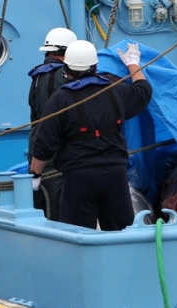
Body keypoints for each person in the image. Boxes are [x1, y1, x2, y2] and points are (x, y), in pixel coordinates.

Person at [29, 40, 152, 231]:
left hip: (79, 178)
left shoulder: (60, 99)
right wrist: (132, 63)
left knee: (76, 234)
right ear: (95, 66)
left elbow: (44, 144)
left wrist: (35, 175)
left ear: (67, 69)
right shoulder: (116, 90)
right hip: (115, 175)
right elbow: (144, 91)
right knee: (121, 233)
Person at [27, 27, 76, 220]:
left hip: (37, 150)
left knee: (42, 205)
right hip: (56, 154)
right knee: (59, 209)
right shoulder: (64, 76)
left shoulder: (38, 77)